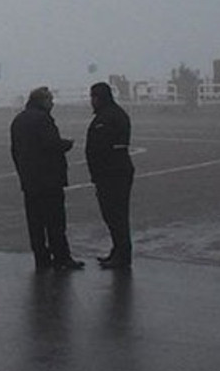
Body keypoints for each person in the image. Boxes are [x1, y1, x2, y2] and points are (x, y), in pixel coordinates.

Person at [10, 86, 84, 271]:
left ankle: (41, 258)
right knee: (55, 221)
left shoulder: (18, 120)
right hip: (49, 178)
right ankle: (61, 257)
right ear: (43, 101)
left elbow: (15, 150)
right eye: (50, 100)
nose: (52, 104)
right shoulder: (43, 119)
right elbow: (50, 144)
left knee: (35, 222)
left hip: (29, 179)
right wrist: (66, 144)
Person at [86, 82, 135, 270]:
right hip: (111, 172)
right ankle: (119, 250)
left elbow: (104, 148)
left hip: (113, 173)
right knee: (113, 215)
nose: (92, 101)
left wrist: (99, 171)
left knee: (116, 215)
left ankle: (122, 254)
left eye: (94, 97)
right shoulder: (112, 114)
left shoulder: (109, 117)